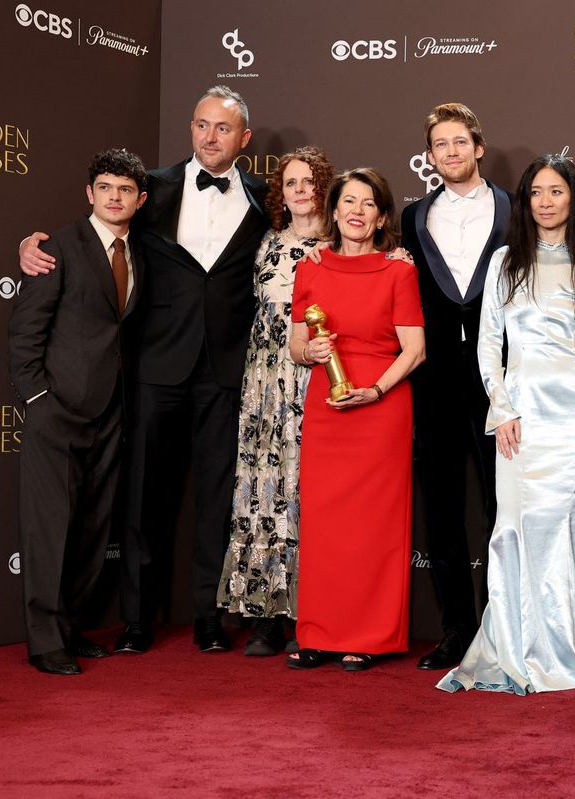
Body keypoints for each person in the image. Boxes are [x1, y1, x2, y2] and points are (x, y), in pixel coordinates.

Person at [20, 85, 270, 654]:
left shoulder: (265, 198)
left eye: (223, 128)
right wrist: (30, 245)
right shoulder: (149, 188)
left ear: (244, 138)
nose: (210, 137)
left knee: (217, 498)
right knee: (141, 498)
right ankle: (137, 620)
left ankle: (209, 617)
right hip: (155, 364)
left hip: (227, 369)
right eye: (201, 125)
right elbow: (93, 238)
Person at [438, 154, 575, 694]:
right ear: (524, 202)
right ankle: (519, 647)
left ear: (574, 199)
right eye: (536, 193)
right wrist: (502, 409)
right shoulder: (505, 262)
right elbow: (487, 347)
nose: (546, 202)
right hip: (521, 417)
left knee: (572, 526)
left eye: (556, 191)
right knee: (517, 527)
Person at [8, 148, 148, 675]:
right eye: (105, 187)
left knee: (91, 528)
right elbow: (26, 331)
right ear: (90, 193)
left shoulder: (139, 253)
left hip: (112, 412)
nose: (115, 197)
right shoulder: (55, 248)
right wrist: (37, 399)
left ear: (140, 199)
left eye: (125, 190)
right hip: (57, 410)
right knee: (49, 528)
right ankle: (45, 641)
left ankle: (70, 627)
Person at [286, 168, 424, 671]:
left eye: (368, 203)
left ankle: (370, 635)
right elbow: (297, 344)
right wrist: (311, 352)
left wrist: (376, 390)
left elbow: (415, 350)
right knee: (325, 524)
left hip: (380, 407)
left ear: (382, 217)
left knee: (373, 527)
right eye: (348, 201)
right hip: (328, 406)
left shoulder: (398, 271)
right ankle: (318, 633)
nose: (357, 211)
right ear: (334, 210)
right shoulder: (311, 268)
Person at [402, 102, 511, 671]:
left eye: (459, 142)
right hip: (434, 377)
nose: (450, 152)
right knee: (442, 508)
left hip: (502, 377)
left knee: (502, 506)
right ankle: (455, 630)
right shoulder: (412, 218)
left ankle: (501, 627)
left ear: (478, 147)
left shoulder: (515, 209)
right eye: (440, 144)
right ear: (429, 155)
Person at [216, 147, 334, 656]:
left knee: (310, 488)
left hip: (316, 377)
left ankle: (317, 612)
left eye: (309, 182)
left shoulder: (341, 242)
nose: (300, 190)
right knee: (265, 489)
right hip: (264, 382)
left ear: (324, 188)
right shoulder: (265, 241)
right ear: (280, 193)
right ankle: (267, 614)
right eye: (291, 183)